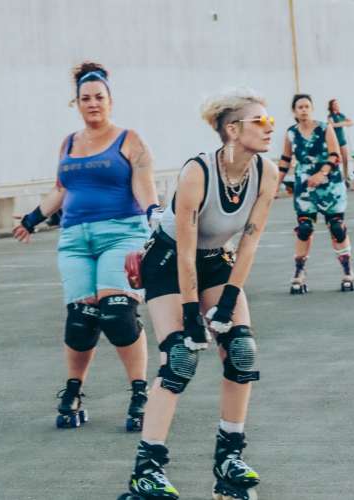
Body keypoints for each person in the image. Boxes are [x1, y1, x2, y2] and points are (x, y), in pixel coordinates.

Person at [117, 88, 278, 500]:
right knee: (180, 358)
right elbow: (185, 250)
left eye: (270, 121)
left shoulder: (267, 173)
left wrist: (228, 302)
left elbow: (250, 242)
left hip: (214, 260)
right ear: (232, 129)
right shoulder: (198, 172)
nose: (270, 128)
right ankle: (147, 471)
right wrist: (192, 312)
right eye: (261, 122)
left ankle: (229, 459)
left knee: (241, 351)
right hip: (169, 259)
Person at [13, 62, 157, 430]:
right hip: (75, 240)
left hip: (122, 234)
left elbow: (144, 186)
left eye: (99, 97)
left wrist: (154, 215)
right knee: (80, 321)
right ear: (75, 102)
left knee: (118, 314)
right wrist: (31, 219)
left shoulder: (130, 140)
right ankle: (73, 391)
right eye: (85, 98)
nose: (93, 103)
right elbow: (61, 189)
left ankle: (140, 392)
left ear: (110, 100)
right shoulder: (68, 143)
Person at [278, 94, 354, 293]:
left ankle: (347, 271)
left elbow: (335, 155)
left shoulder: (324, 128)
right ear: (294, 111)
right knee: (304, 228)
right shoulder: (291, 133)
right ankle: (299, 273)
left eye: (307, 106)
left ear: (312, 108)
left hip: (330, 184)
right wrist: (273, 185)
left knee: (337, 227)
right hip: (304, 186)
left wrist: (322, 173)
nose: (303, 109)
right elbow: (285, 160)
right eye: (300, 107)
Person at [327, 98, 354, 189]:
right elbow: (331, 125)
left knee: (345, 159)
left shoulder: (341, 115)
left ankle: (346, 177)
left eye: (337, 104)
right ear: (331, 106)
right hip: (335, 140)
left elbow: (351, 122)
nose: (336, 105)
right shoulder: (330, 116)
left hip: (342, 140)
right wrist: (343, 123)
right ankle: (335, 177)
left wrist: (342, 123)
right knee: (336, 160)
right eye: (334, 104)